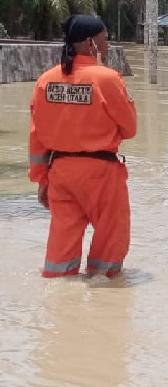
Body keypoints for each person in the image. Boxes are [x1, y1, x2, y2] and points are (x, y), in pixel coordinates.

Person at [28, 15, 137, 278]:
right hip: (100, 174)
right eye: (106, 40)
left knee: (60, 247)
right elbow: (130, 129)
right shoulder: (107, 79)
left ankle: (59, 294)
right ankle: (104, 292)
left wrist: (43, 180)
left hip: (61, 173)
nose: (108, 46)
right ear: (92, 43)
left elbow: (37, 136)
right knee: (110, 239)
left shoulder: (46, 80)